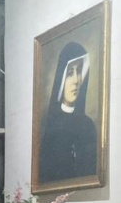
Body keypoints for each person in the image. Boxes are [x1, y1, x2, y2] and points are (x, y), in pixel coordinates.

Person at [38, 41, 97, 184]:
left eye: (79, 71)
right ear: (61, 78)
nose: (76, 80)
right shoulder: (50, 126)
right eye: (70, 73)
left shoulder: (88, 125)